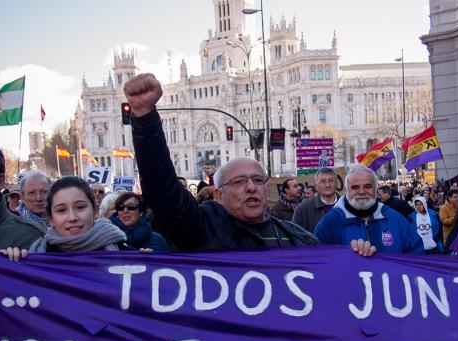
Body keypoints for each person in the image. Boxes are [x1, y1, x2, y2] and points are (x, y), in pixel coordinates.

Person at [124, 73, 318, 250]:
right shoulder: (201, 228)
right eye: (239, 181)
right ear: (218, 195)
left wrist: (349, 256)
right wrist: (144, 117)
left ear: (267, 190)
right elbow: (162, 189)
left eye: (258, 180)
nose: (251, 187)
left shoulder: (297, 237)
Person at [1, 176, 130, 260]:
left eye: (80, 207)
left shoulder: (124, 254)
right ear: (50, 219)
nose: (72, 217)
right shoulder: (33, 257)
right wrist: (10, 262)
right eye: (61, 210)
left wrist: (147, 261)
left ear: (95, 211)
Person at [315, 165, 423, 256]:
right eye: (355, 187)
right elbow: (319, 261)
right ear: (346, 191)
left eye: (367, 186)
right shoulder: (329, 223)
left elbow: (417, 256)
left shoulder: (395, 219)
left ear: (376, 189)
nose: (361, 192)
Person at [292, 167, 339, 232]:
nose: (327, 185)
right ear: (316, 186)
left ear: (337, 183)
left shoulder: (347, 206)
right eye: (323, 181)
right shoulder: (302, 209)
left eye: (331, 180)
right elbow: (295, 237)